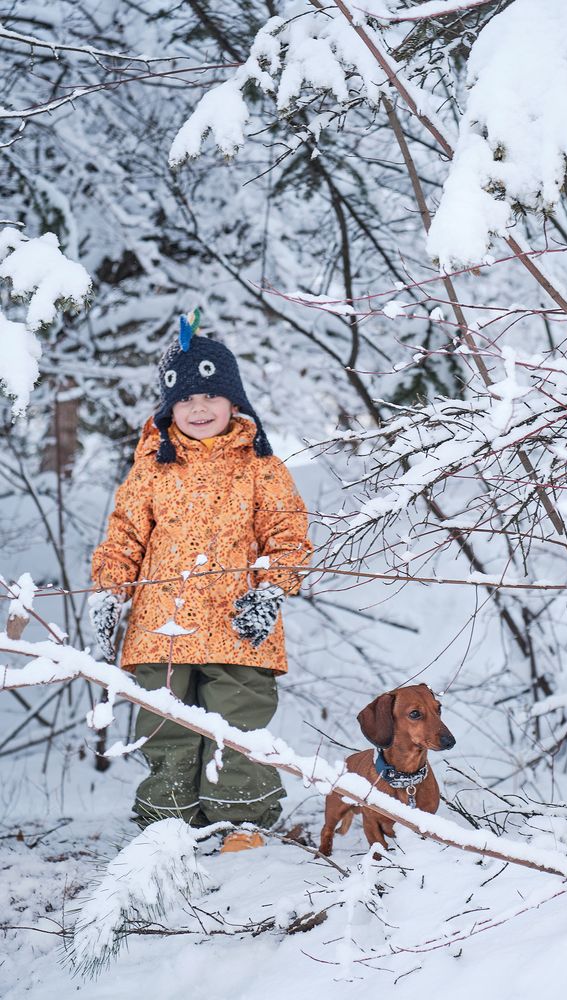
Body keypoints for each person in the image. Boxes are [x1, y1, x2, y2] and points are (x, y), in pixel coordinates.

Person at [89, 311, 312, 852]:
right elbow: (123, 536)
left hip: (239, 625)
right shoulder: (151, 468)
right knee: (166, 726)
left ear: (233, 402)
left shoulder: (262, 468)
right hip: (159, 629)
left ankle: (242, 820)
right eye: (185, 400)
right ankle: (169, 823)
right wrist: (108, 591)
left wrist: (271, 589)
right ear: (169, 410)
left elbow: (289, 534)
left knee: (238, 724)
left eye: (209, 396)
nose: (199, 408)